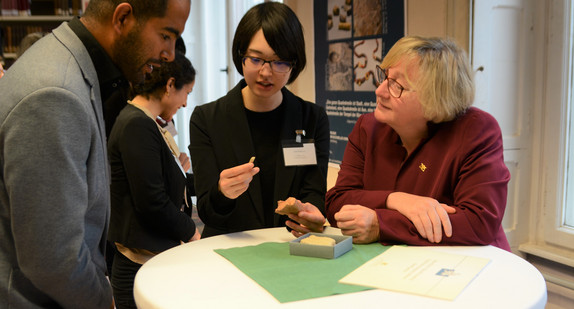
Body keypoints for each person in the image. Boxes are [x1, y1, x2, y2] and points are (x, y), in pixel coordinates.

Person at [0, 0, 191, 308]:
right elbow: (53, 259)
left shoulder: (71, 68)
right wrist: (104, 300)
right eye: (166, 35)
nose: (169, 54)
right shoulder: (56, 92)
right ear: (123, 17)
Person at [325, 36, 512, 251]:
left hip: (473, 266)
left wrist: (380, 223)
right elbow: (337, 203)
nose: (379, 91)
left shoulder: (477, 131)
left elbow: (478, 222)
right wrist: (395, 200)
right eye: (384, 77)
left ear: (435, 98)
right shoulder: (368, 128)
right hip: (397, 264)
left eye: (396, 85)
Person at [189, 2, 329, 238]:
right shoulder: (207, 120)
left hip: (289, 248)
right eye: (256, 59)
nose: (266, 73)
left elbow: (314, 191)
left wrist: (310, 212)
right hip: (227, 250)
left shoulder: (311, 118)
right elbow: (206, 210)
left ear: (294, 65)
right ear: (240, 55)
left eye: (280, 62)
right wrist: (222, 192)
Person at [108, 51, 199, 309]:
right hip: (138, 265)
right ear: (170, 85)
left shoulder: (146, 122)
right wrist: (191, 231)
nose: (184, 104)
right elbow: (151, 201)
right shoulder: (137, 124)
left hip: (149, 259)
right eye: (187, 93)